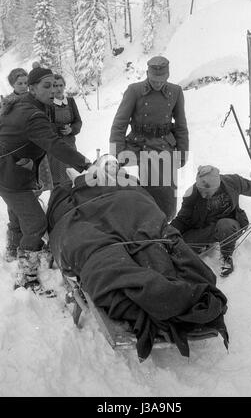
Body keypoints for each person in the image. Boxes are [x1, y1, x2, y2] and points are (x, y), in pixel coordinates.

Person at [47, 155, 228, 362]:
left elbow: (144, 199)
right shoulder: (78, 184)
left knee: (156, 245)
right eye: (108, 165)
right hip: (94, 215)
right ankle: (149, 290)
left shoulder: (130, 182)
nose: (113, 167)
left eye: (115, 164)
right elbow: (60, 207)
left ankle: (167, 289)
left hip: (133, 209)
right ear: (96, 168)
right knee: (103, 250)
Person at [0, 64, 92, 292]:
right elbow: (54, 144)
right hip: (10, 178)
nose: (52, 90)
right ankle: (26, 278)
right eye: (46, 86)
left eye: (54, 85)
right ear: (32, 88)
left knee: (25, 218)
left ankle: (24, 252)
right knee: (35, 223)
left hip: (13, 171)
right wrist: (86, 164)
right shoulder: (31, 114)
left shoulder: (22, 105)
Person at [109, 56, 189, 222]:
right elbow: (119, 124)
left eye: (161, 80)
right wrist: (117, 153)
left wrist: (182, 153)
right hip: (137, 145)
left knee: (165, 198)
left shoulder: (175, 91)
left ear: (167, 75)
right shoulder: (134, 90)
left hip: (163, 145)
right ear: (147, 74)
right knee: (119, 183)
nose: (157, 83)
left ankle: (163, 225)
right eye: (154, 80)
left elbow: (181, 126)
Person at [171, 165, 251, 277]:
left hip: (229, 223)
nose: (203, 195)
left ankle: (226, 256)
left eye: (207, 192)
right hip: (205, 228)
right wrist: (167, 232)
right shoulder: (191, 194)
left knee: (225, 226)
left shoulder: (232, 182)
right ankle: (205, 244)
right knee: (179, 248)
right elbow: (182, 219)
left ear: (216, 186)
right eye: (200, 191)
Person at [47, 73, 82, 186]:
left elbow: (78, 121)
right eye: (55, 85)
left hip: (70, 144)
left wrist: (71, 129)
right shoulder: (48, 104)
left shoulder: (70, 101)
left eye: (61, 85)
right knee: (58, 178)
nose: (58, 88)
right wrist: (61, 129)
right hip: (55, 145)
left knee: (72, 174)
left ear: (64, 86)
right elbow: (46, 125)